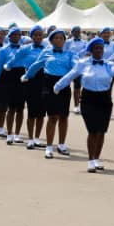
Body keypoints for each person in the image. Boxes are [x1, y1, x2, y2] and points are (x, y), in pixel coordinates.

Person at [55, 38, 114, 172]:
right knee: (92, 130)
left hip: (105, 99)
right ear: (90, 51)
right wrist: (58, 86)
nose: (99, 51)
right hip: (88, 99)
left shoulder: (108, 64)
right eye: (96, 48)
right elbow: (71, 75)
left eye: (101, 48)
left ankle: (97, 159)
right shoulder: (83, 63)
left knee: (101, 131)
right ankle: (90, 160)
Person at [23, 29, 77, 158]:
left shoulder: (70, 54)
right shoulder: (46, 52)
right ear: (51, 40)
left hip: (64, 85)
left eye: (61, 38)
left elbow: (76, 67)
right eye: (56, 38)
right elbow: (36, 65)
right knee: (52, 117)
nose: (58, 40)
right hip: (49, 85)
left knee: (63, 117)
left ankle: (62, 145)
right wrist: (27, 75)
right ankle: (49, 147)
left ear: (64, 40)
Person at [5, 26, 48, 149]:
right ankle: (28, 138)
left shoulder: (47, 49)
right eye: (35, 35)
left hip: (43, 80)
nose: (38, 37)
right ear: (31, 36)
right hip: (28, 79)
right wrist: (8, 66)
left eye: (40, 35)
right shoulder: (25, 48)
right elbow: (15, 58)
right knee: (29, 109)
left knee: (41, 112)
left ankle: (37, 138)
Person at [0, 27, 26, 145]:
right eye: (14, 35)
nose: (16, 37)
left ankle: (17, 134)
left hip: (21, 77)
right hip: (8, 78)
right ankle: (9, 134)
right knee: (11, 108)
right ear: (9, 37)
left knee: (20, 108)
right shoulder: (3, 50)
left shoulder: (24, 49)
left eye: (18, 35)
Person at [65, 26, 87, 114]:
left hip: (79, 66)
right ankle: (64, 105)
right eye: (75, 31)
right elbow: (65, 51)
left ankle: (76, 105)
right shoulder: (67, 42)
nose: (77, 33)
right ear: (72, 32)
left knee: (77, 87)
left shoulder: (84, 42)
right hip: (69, 67)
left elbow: (87, 51)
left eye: (79, 31)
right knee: (65, 86)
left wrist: (79, 55)